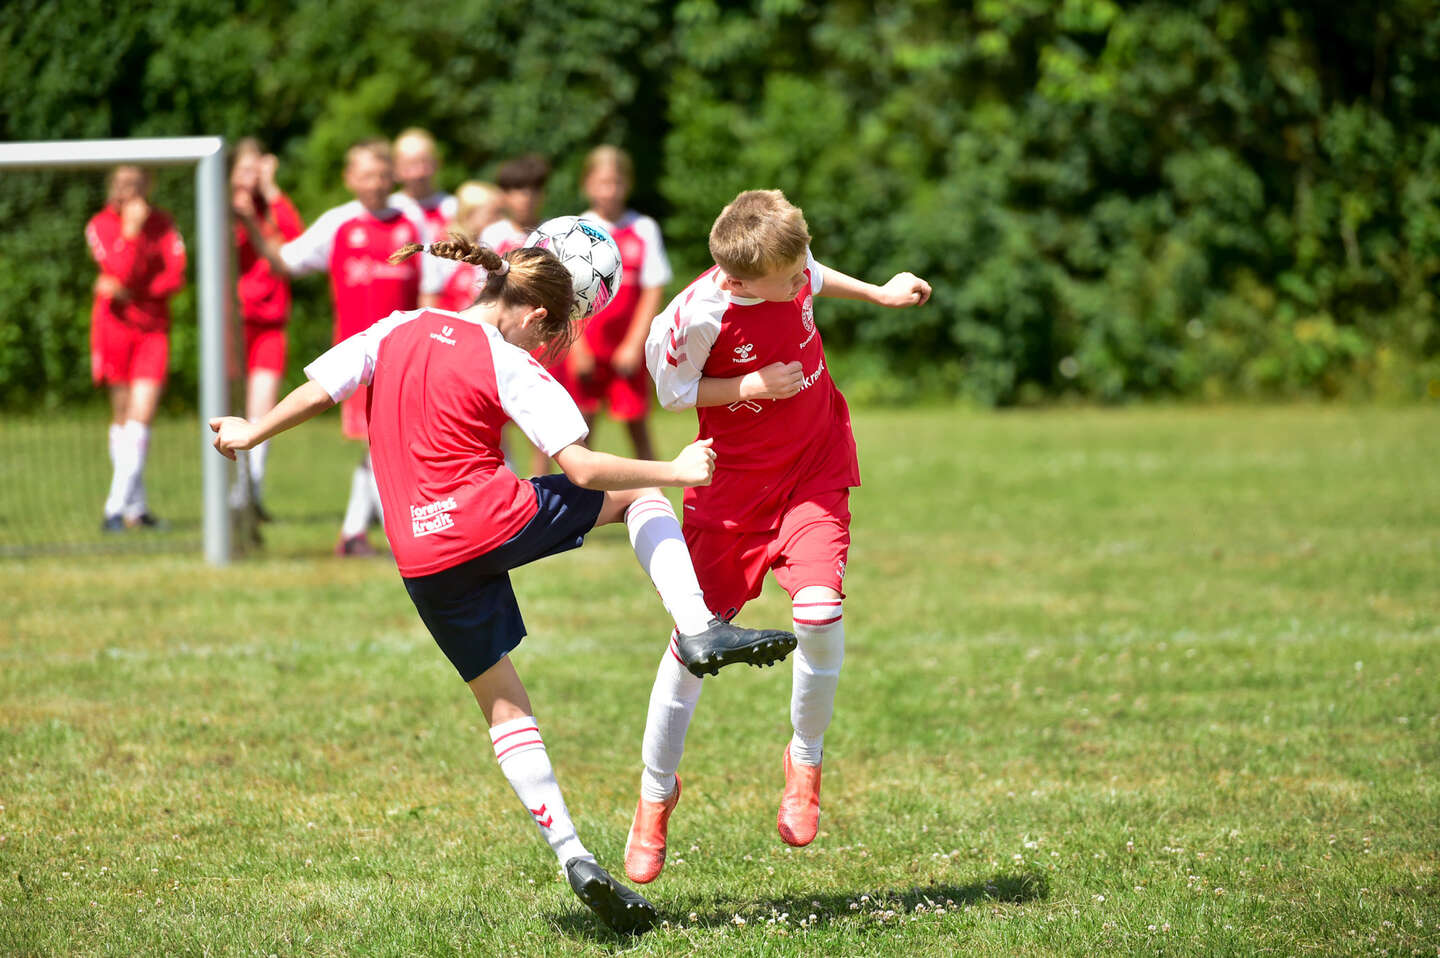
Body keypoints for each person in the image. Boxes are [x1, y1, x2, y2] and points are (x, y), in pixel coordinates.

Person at [208, 235, 797, 934]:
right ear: (532, 316)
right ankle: (698, 625)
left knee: (502, 705)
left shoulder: (399, 326)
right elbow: (581, 469)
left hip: (419, 552)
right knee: (641, 497)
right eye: (554, 332)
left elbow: (322, 387)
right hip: (492, 518)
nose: (548, 345)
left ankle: (572, 852)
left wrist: (252, 432)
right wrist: (673, 470)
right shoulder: (507, 360)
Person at [623, 189, 932, 884]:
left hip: (816, 464)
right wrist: (748, 385)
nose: (804, 283)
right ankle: (654, 794)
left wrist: (880, 295)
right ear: (736, 280)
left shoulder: (784, 262)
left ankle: (805, 759)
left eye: (801, 273)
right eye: (788, 281)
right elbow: (671, 393)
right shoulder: (697, 314)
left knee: (820, 611)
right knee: (695, 649)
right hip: (733, 491)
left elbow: (814, 274)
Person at [234, 138, 422, 556]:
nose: (374, 182)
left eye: (380, 173)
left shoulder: (412, 224)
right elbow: (285, 261)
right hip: (359, 354)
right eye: (365, 174)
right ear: (349, 178)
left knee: (385, 441)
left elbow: (431, 284)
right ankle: (365, 531)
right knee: (381, 440)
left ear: (391, 176)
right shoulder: (339, 223)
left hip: (406, 353)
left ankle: (361, 531)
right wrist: (250, 223)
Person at [85, 165, 187, 532]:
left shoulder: (164, 222)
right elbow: (118, 268)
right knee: (124, 415)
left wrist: (138, 292)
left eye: (137, 184)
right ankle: (136, 508)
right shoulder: (99, 224)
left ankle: (114, 507)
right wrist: (130, 231)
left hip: (153, 329)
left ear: (148, 185)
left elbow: (176, 275)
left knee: (141, 415)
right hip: (114, 327)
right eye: (122, 184)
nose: (129, 191)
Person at [557, 145, 671, 462]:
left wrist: (634, 345)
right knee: (576, 432)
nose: (610, 190)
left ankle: (656, 501)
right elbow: (564, 294)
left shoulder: (644, 229)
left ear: (628, 184)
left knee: (638, 430)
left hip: (626, 348)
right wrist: (576, 348)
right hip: (586, 345)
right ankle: (574, 504)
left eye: (616, 182)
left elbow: (652, 289)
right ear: (587, 184)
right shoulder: (575, 229)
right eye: (602, 182)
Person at [231, 138, 304, 519]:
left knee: (262, 409)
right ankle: (232, 490)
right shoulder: (222, 210)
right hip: (233, 321)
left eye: (256, 169)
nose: (250, 178)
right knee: (230, 405)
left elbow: (295, 242)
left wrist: (270, 190)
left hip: (270, 319)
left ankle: (250, 491)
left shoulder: (271, 208)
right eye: (243, 169)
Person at [387, 128, 456, 309]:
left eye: (424, 162)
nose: (418, 172)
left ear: (436, 163)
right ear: (396, 169)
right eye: (409, 165)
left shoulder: (454, 209)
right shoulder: (389, 211)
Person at [435, 181, 504, 312]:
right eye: (494, 213)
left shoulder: (495, 246)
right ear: (470, 214)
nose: (500, 219)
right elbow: (430, 295)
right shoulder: (444, 248)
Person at [479, 153, 549, 255]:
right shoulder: (492, 235)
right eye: (518, 188)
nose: (526, 198)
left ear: (543, 194)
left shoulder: (554, 232)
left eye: (534, 189)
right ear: (504, 194)